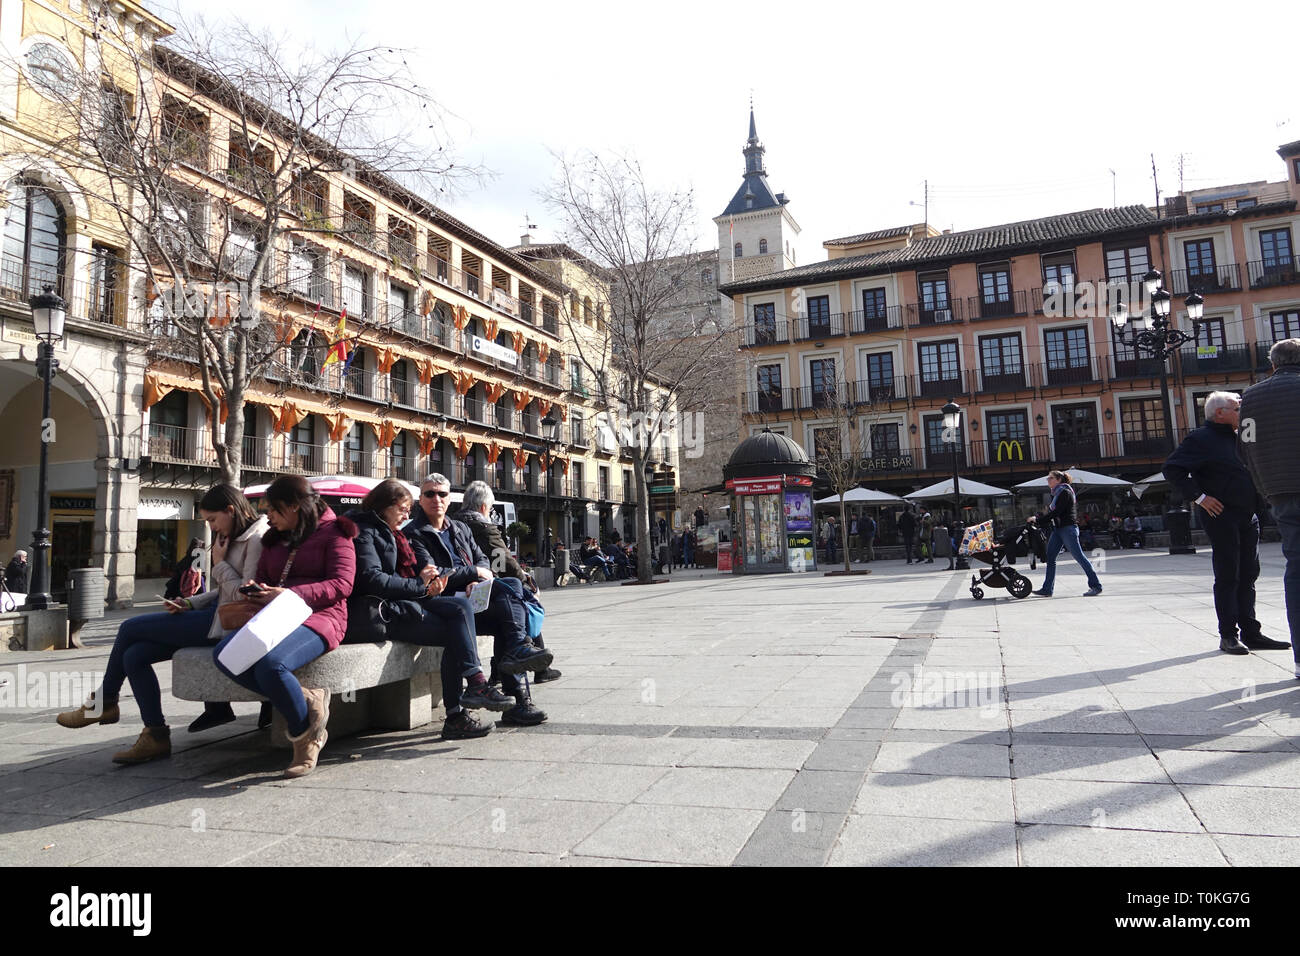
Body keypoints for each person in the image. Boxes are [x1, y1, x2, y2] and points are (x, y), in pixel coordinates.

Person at [56, 484, 270, 763]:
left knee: (129, 628)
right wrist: (190, 602)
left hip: (231, 625)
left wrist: (218, 564)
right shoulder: (231, 535)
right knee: (134, 656)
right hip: (214, 616)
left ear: (231, 510)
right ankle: (155, 735)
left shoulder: (258, 538)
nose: (211, 526)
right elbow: (223, 591)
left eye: (212, 519)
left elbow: (247, 591)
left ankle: (104, 702)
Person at [348, 479, 519, 738]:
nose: (407, 514)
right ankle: (468, 696)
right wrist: (419, 584)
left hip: (405, 601)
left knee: (469, 608)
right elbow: (372, 580)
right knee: (457, 623)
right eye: (403, 508)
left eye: (408, 509)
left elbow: (404, 574)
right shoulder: (368, 531)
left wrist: (424, 583)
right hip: (382, 612)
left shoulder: (390, 530)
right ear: (384, 506)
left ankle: (469, 698)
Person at [212, 475, 357, 778]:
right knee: (225, 655)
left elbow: (342, 584)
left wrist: (291, 594)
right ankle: (308, 699)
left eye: (274, 511)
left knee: (271, 666)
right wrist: (259, 590)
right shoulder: (274, 539)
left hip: (322, 617)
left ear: (294, 507)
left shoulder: (336, 534)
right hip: (276, 615)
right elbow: (265, 576)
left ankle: (306, 737)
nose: (269, 518)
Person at [405, 474, 553, 707]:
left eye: (442, 494)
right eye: (429, 494)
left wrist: (479, 577)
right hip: (442, 602)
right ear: (420, 499)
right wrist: (472, 574)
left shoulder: (460, 528)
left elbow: (483, 559)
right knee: (491, 609)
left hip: (470, 598)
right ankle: (481, 700)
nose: (437, 499)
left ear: (449, 498)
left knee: (511, 600)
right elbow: (433, 573)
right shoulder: (414, 533)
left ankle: (520, 700)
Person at [1165, 391, 1290, 656]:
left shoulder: (1243, 434)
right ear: (1219, 413)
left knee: (1249, 574)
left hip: (1249, 516)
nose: (1242, 411)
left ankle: (1251, 633)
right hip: (1220, 516)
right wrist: (1200, 497)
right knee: (1228, 575)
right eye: (1237, 407)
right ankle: (1228, 635)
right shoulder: (1200, 438)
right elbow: (1173, 468)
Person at [457, 480, 560, 685]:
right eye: (491, 507)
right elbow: (502, 558)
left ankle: (502, 671)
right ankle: (538, 669)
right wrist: (524, 580)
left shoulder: (457, 523)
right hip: (487, 587)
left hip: (465, 588)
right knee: (525, 606)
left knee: (513, 613)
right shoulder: (483, 527)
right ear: (483, 507)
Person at [1239, 338, 1300, 673]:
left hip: (1280, 492)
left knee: (1296, 569)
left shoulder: (1250, 397)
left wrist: (1265, 486)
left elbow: (1245, 447)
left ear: (1273, 364)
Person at [1031, 470, 1103, 598]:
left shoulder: (1065, 492)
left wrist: (1038, 520)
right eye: (1048, 478)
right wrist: (1040, 518)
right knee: (1050, 557)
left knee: (1079, 557)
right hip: (1058, 529)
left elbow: (1057, 512)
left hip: (1067, 529)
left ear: (1059, 480)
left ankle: (1096, 586)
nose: (1048, 480)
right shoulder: (1057, 493)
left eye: (1050, 478)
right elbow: (1053, 513)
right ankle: (1047, 589)